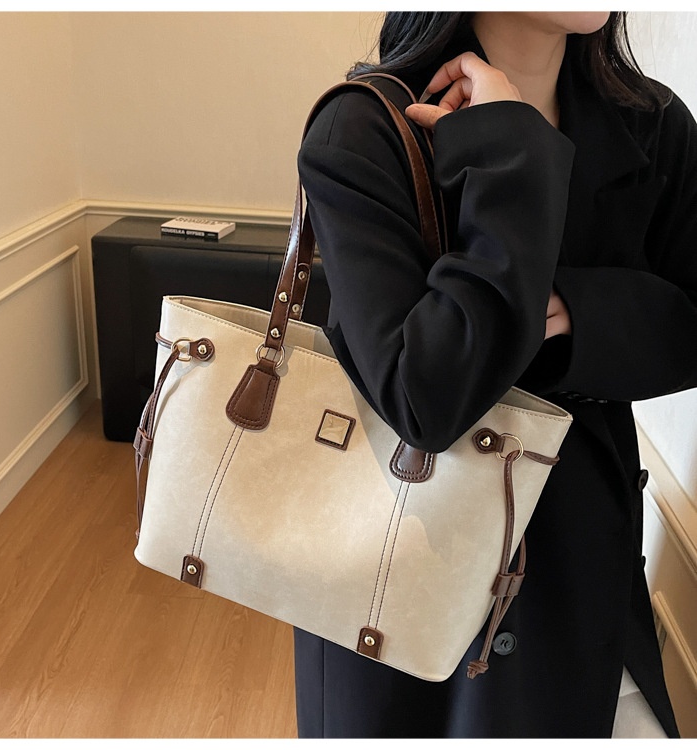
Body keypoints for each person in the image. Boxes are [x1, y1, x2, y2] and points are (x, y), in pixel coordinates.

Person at [292, 11, 696, 738]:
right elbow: (425, 395)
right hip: (399, 586)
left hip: (579, 578)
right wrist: (513, 147)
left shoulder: (653, 125)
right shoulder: (366, 127)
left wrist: (573, 309)